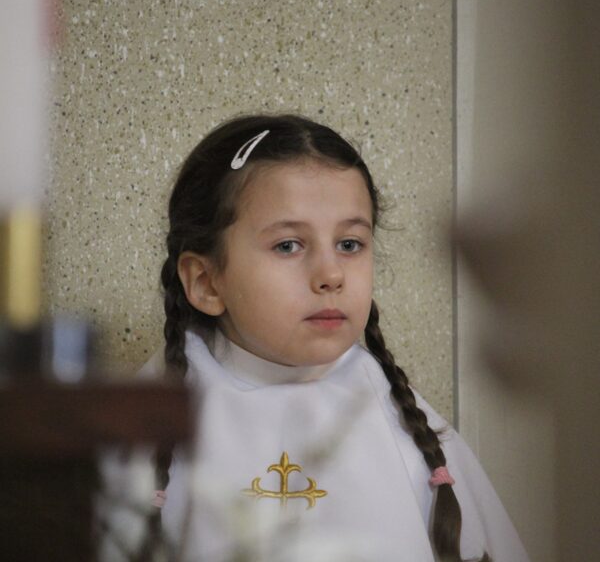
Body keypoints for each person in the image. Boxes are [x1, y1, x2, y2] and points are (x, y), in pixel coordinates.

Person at [111, 114, 529, 562]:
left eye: (349, 244)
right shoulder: (139, 436)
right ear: (206, 282)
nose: (331, 274)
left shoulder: (412, 433)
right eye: (288, 245)